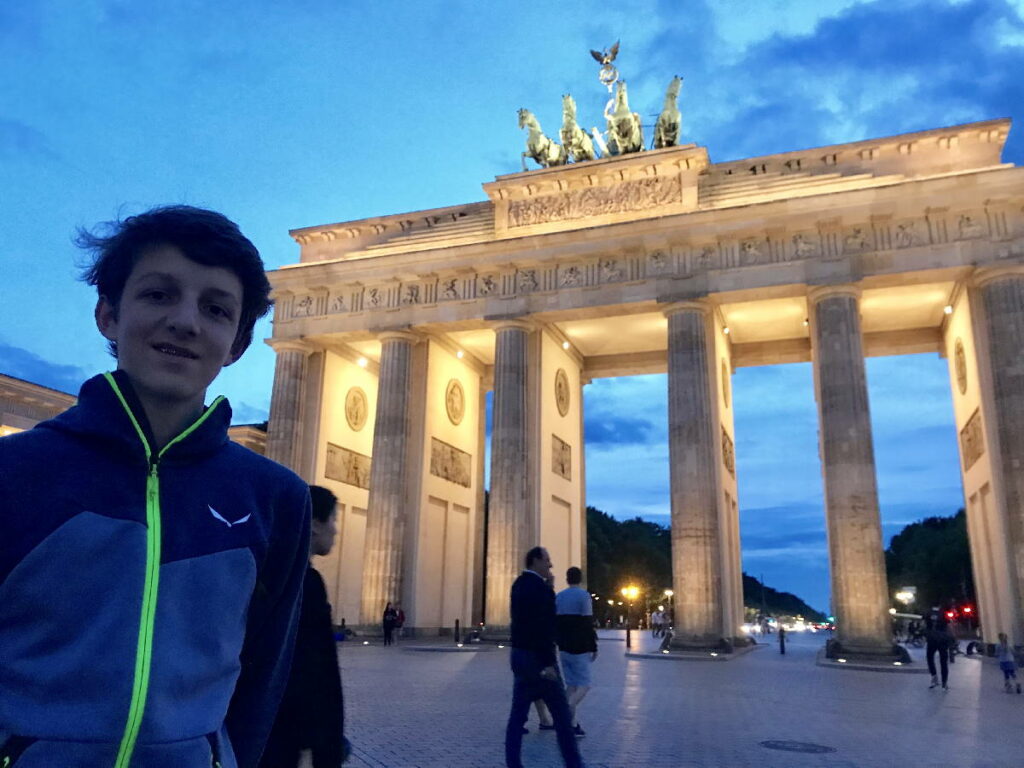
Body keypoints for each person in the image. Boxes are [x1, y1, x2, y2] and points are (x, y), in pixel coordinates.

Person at [0, 206, 311, 767]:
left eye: (215, 309)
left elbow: (263, 680)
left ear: (238, 343)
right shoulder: (16, 472)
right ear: (107, 315)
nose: (186, 322)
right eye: (159, 295)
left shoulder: (274, 497)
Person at [261, 485, 351, 767]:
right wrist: (328, 747)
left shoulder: (268, 574)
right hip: (289, 733)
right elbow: (319, 673)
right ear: (313, 525)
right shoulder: (307, 584)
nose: (335, 530)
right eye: (333, 520)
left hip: (261, 728)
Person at [505, 547, 584, 768]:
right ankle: (574, 764)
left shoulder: (518, 584)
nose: (550, 565)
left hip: (520, 658)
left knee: (517, 719)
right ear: (536, 560)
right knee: (562, 719)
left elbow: (523, 623)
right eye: (547, 561)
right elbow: (544, 627)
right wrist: (548, 663)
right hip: (539, 662)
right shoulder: (540, 589)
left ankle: (513, 764)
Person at [556, 567, 598, 737]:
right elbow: (587, 621)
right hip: (580, 645)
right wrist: (593, 646)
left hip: (564, 645)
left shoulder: (560, 596)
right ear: (580, 579)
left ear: (567, 579)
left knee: (571, 685)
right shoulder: (583, 596)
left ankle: (571, 726)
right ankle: (565, 714)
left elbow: (555, 621)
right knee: (584, 685)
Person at [924, 606, 952, 690]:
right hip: (942, 640)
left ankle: (934, 677)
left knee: (929, 658)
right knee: (943, 661)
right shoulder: (944, 612)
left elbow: (925, 624)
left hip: (932, 639)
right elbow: (948, 623)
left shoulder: (928, 612)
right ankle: (944, 683)